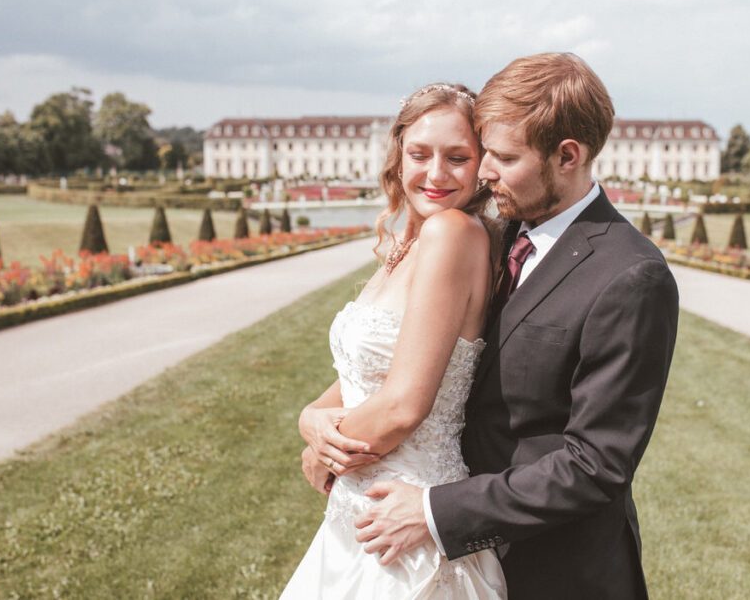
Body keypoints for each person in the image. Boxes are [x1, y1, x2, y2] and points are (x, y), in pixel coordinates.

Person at [347, 53, 680, 598]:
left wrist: (435, 510)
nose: (482, 171)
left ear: (567, 156)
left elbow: (596, 466)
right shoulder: (494, 235)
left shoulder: (630, 276)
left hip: (557, 571)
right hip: (456, 563)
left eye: (502, 156)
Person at [282, 83, 507, 598]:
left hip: (405, 523)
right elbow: (361, 375)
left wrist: (325, 453)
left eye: (458, 157)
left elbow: (404, 407)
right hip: (360, 515)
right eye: (420, 154)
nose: (435, 174)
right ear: (398, 154)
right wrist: (310, 419)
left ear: (481, 164)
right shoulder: (408, 243)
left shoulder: (452, 232)